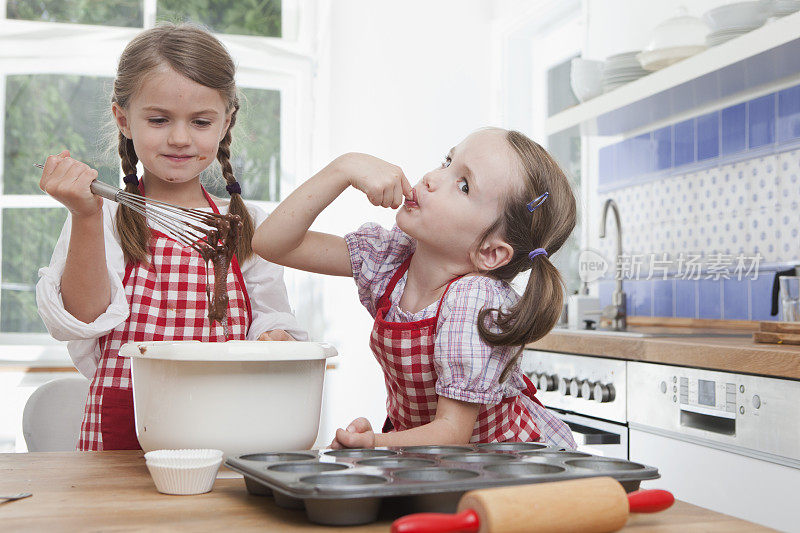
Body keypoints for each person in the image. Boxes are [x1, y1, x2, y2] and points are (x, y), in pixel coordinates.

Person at [36, 23, 307, 451]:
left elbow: (271, 318)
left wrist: (275, 337)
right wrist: (83, 215)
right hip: (126, 436)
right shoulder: (101, 216)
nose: (180, 138)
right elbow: (81, 319)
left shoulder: (248, 223)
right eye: (159, 119)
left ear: (226, 122)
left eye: (200, 121)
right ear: (123, 119)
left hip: (227, 425)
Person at [253, 127, 577, 449]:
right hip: (437, 464)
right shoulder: (392, 259)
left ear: (490, 252)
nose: (433, 179)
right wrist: (344, 168)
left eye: (463, 185)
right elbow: (272, 243)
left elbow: (452, 433)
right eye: (447, 161)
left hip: (512, 475)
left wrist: (375, 443)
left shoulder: (475, 300)